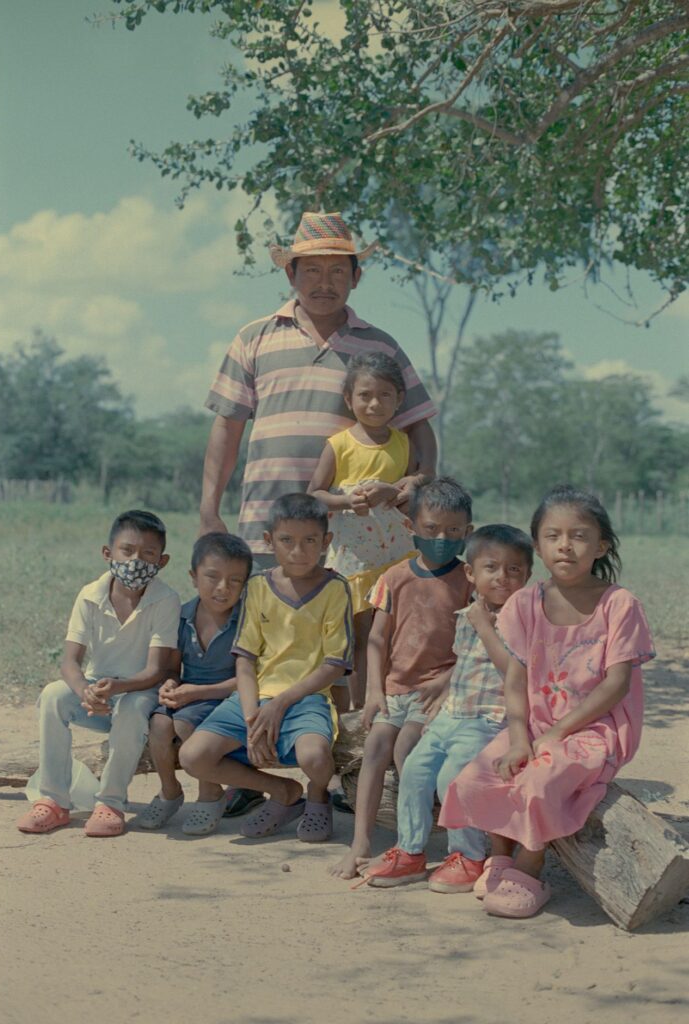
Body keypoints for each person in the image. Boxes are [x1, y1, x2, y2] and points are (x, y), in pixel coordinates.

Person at [439, 485, 655, 919]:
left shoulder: (620, 605)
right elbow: (515, 678)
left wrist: (558, 732)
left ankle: (531, 866)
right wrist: (519, 737)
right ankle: (499, 855)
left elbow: (615, 685)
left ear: (601, 545)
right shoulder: (525, 602)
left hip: (596, 728)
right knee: (478, 776)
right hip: (536, 723)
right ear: (537, 545)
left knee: (539, 782)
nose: (565, 545)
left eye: (579, 535)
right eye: (553, 535)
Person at [199, 211, 437, 569]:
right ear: (290, 274)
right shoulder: (254, 339)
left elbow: (418, 424)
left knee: (349, 624)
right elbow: (226, 430)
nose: (324, 282)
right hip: (268, 526)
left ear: (356, 277)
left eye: (338, 271)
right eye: (312, 270)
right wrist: (208, 510)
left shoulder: (381, 347)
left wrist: (419, 482)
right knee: (270, 621)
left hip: (354, 536)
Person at [357, 524, 533, 892]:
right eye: (491, 568)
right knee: (416, 771)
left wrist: (487, 626)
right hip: (453, 714)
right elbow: (464, 667)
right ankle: (410, 851)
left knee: (451, 776)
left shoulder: (525, 619)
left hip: (490, 719)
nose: (502, 577)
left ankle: (467, 856)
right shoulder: (467, 615)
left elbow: (515, 674)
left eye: (514, 569)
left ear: (528, 575)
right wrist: (443, 701)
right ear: (470, 573)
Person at [179, 493, 354, 842]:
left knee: (316, 758)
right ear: (269, 540)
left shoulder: (336, 589)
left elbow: (335, 664)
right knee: (193, 756)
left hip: (307, 698)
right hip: (255, 697)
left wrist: (279, 705)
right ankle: (284, 793)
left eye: (310, 541)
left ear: (326, 542)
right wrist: (251, 717)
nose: (298, 551)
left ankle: (317, 796)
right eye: (286, 540)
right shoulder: (258, 586)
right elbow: (245, 659)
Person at [330, 478, 474, 880]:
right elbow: (376, 638)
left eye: (453, 531)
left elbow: (474, 643)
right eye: (431, 529)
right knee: (374, 747)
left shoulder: (469, 580)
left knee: (408, 748)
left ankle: (414, 843)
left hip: (438, 692)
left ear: (468, 533)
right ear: (411, 528)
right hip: (395, 688)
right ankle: (359, 843)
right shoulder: (394, 578)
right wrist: (374, 691)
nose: (442, 538)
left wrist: (447, 684)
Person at [17, 510, 180, 838]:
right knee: (52, 695)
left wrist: (118, 688)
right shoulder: (89, 596)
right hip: (98, 692)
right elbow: (69, 662)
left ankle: (110, 803)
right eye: (127, 551)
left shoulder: (166, 600)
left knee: (133, 708)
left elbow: (155, 670)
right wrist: (84, 692)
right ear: (108, 553)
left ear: (162, 561)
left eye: (148, 554)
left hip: (138, 692)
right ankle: (53, 801)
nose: (136, 561)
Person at [309, 351, 426, 704]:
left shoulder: (404, 443)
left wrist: (398, 487)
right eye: (365, 395)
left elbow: (418, 482)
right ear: (349, 399)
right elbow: (314, 493)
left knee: (393, 632)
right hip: (355, 559)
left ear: (399, 400)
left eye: (384, 395)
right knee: (361, 636)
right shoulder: (339, 445)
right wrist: (346, 502)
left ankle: (395, 701)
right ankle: (361, 711)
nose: (374, 403)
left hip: (396, 555)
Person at [135, 531, 262, 835]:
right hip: (189, 697)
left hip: (229, 699)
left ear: (246, 584)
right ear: (193, 576)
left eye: (235, 580)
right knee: (159, 725)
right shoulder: (182, 617)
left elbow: (253, 679)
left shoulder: (248, 620)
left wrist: (198, 693)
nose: (223, 588)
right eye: (212, 577)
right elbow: (173, 668)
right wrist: (169, 685)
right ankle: (169, 791)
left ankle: (210, 794)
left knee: (185, 726)